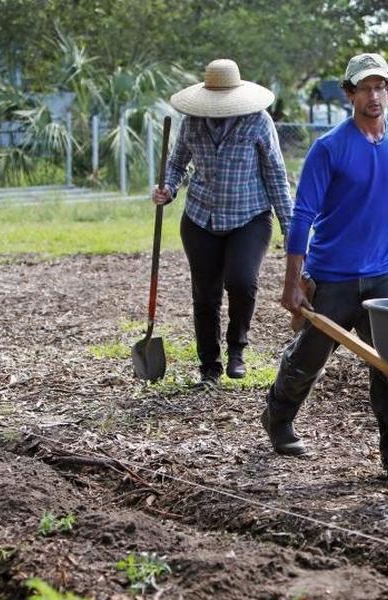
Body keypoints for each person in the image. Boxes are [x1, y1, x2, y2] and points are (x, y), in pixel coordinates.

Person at [262, 52, 388, 483]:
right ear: (349, 93)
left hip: (383, 273)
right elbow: (303, 217)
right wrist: (293, 283)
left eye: (380, 87)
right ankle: (278, 417)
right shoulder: (329, 148)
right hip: (332, 274)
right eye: (365, 88)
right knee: (309, 357)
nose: (374, 96)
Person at [152, 59, 293, 385]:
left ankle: (237, 348)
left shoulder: (258, 122)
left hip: (250, 217)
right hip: (200, 218)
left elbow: (275, 175)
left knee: (242, 282)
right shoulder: (192, 123)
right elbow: (176, 166)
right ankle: (209, 368)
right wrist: (168, 189)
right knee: (205, 296)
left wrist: (290, 228)